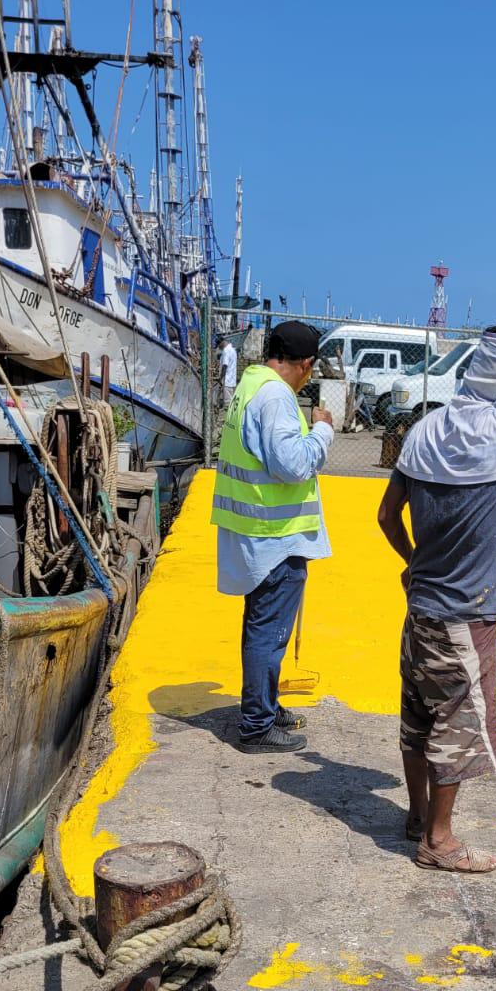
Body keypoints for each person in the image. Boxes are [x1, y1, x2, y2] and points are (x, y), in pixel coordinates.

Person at [377, 328, 496, 872]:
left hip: (424, 607)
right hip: (467, 613)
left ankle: (416, 815)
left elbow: (387, 516)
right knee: (457, 725)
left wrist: (412, 562)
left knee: (419, 717)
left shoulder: (426, 428)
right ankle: (438, 840)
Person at [212, 320, 333, 754]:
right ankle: (257, 725)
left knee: (261, 625)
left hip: (254, 531)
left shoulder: (250, 384)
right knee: (269, 630)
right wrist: (322, 430)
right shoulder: (278, 397)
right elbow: (293, 464)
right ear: (305, 364)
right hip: (275, 536)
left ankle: (264, 704)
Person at [218, 335, 238, 407]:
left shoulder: (226, 351)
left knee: (227, 405)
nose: (219, 348)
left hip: (227, 381)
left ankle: (227, 417)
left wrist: (220, 378)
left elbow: (225, 366)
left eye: (219, 345)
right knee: (232, 403)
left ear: (222, 343)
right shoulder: (233, 350)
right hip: (232, 381)